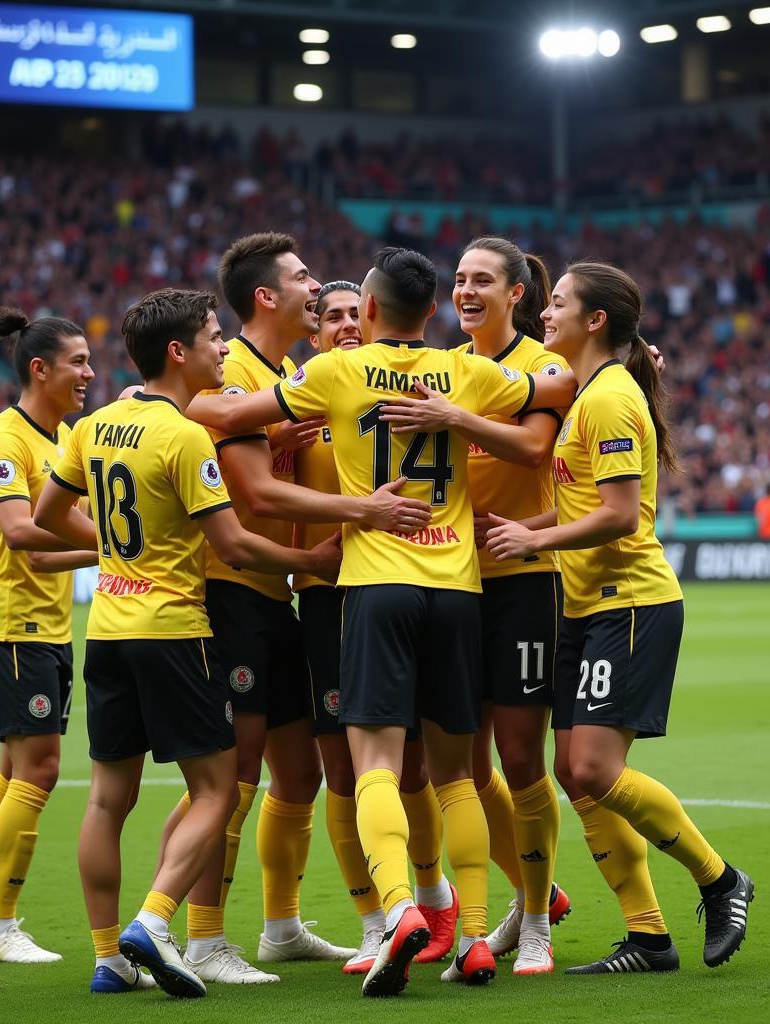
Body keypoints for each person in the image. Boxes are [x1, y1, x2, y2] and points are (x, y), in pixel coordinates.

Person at [184, 246, 578, 998]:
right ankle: (471, 935)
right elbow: (556, 381)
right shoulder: (464, 372)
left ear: (366, 313)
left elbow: (224, 411)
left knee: (372, 766)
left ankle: (396, 909)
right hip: (459, 588)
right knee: (458, 774)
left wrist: (161, 397)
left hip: (372, 584)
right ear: (432, 312)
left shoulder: (335, 372)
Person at [34, 288, 342, 998]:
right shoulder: (184, 436)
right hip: (173, 630)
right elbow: (232, 543)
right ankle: (157, 921)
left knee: (108, 801)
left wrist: (116, 553)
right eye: (211, 337)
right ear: (178, 352)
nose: (223, 348)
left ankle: (109, 958)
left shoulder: (96, 424)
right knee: (219, 787)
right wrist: (308, 563)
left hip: (107, 627)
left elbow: (52, 514)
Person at [156, 234, 428, 985]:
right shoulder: (236, 369)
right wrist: (354, 517)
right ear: (268, 298)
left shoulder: (289, 376)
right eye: (305, 278)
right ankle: (197, 936)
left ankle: (280, 925)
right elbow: (255, 489)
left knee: (298, 775)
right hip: (233, 587)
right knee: (232, 775)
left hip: (276, 594)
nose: (318, 289)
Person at [485, 261, 754, 974]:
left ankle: (722, 880)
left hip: (629, 605)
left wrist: (533, 539)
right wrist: (518, 525)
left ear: (594, 320)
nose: (547, 313)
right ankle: (649, 938)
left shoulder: (606, 400)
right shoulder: (592, 391)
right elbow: (581, 505)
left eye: (560, 304)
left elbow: (619, 515)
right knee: (572, 774)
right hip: (585, 607)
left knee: (595, 769)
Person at [378, 237, 574, 974]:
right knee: (467, 769)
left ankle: (534, 929)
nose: (466, 290)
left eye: (482, 279)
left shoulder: (538, 366)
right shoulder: (446, 368)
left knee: (522, 759)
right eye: (458, 279)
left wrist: (455, 418)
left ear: (516, 293)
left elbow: (530, 451)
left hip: (523, 579)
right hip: (452, 584)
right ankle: (525, 897)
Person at [294, 280, 457, 974]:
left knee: (419, 763)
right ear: (315, 331)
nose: (341, 327)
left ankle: (436, 897)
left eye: (347, 315)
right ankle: (374, 919)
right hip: (330, 594)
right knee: (346, 767)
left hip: (399, 584)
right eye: (327, 317)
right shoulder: (303, 395)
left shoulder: (389, 388)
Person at [0, 307, 98, 964]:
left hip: (47, 623)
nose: (89, 372)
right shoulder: (6, 440)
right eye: (78, 362)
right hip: (13, 625)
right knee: (42, 768)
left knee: (13, 769)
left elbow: (58, 544)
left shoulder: (61, 439)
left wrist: (105, 552)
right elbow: (22, 536)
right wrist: (118, 547)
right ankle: (1, 929)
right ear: (40, 368)